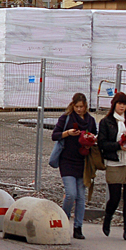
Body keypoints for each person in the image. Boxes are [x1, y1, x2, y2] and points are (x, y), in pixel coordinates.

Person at [51, 92, 97, 240]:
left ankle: (78, 227)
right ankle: (63, 219)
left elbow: (95, 137)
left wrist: (90, 141)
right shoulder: (66, 118)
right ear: (73, 105)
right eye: (77, 106)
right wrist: (68, 133)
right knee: (71, 194)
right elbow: (55, 135)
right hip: (67, 161)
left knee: (81, 197)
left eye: (81, 107)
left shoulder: (90, 121)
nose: (79, 109)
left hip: (82, 161)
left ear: (85, 107)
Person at [98, 92, 126, 242]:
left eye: (124, 104)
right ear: (114, 105)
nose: (122, 106)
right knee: (115, 197)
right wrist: (118, 146)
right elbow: (102, 143)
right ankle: (108, 218)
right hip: (115, 162)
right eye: (119, 103)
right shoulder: (106, 122)